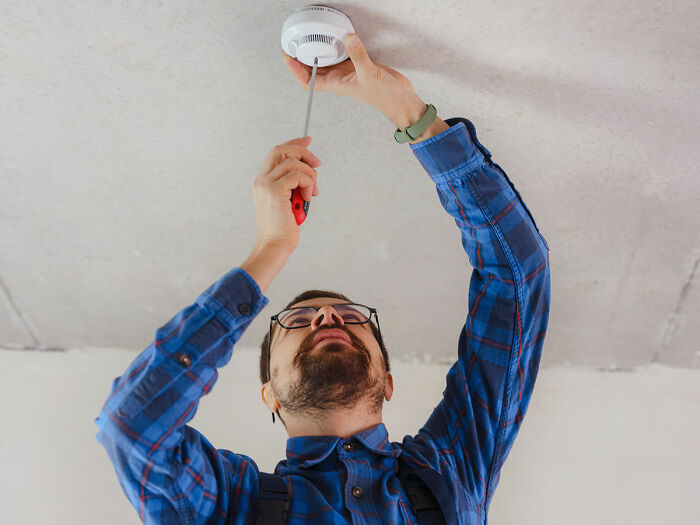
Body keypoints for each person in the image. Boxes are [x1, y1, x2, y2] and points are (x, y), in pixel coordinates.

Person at [96, 33, 551, 524]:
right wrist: (272, 248)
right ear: (268, 392)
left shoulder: (450, 473)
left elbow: (516, 274)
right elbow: (133, 426)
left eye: (352, 316)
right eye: (297, 319)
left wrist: (410, 112)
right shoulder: (232, 505)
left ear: (389, 381)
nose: (329, 315)